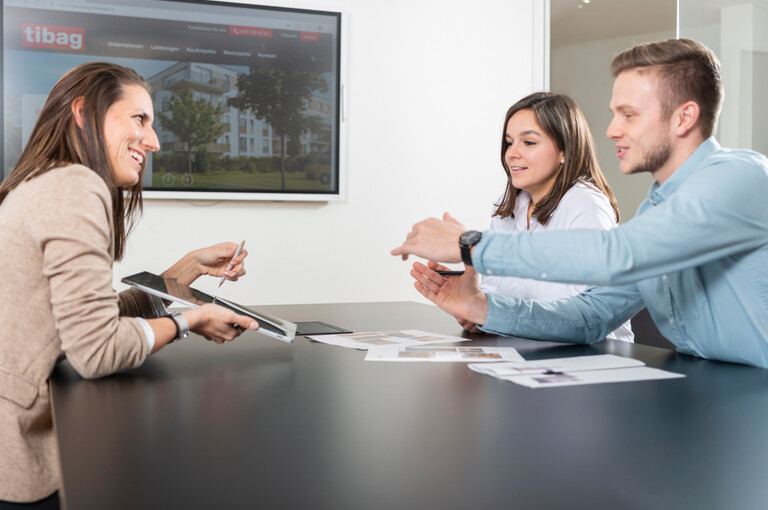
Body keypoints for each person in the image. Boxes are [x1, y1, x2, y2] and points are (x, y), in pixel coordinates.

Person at [392, 38, 768, 369]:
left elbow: (618, 254)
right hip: (712, 389)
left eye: (629, 115)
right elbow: (591, 316)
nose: (611, 130)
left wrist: (471, 244)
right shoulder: (658, 211)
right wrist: (480, 308)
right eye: (613, 114)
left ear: (685, 117)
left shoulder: (741, 178)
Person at [0, 62, 259, 508]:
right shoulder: (75, 186)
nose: (154, 141)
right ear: (83, 112)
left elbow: (83, 320)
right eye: (139, 119)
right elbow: (96, 349)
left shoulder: (45, 181)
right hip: (19, 456)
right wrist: (189, 320)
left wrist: (188, 268)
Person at [464, 92, 632, 342]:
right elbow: (494, 295)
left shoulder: (585, 206)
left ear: (564, 150)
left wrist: (491, 312)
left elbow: (585, 318)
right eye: (509, 143)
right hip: (529, 354)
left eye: (528, 143)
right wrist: (473, 308)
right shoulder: (507, 207)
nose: (512, 153)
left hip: (593, 359)